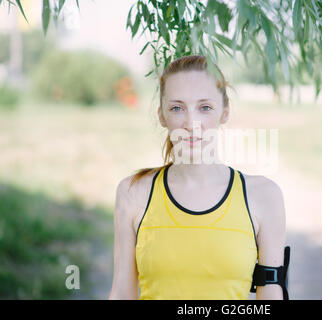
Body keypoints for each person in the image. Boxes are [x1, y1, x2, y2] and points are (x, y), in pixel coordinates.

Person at [108, 55, 287, 300]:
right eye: (177, 108)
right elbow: (121, 293)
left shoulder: (264, 196)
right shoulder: (133, 192)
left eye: (205, 107)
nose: (192, 124)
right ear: (162, 115)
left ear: (225, 112)